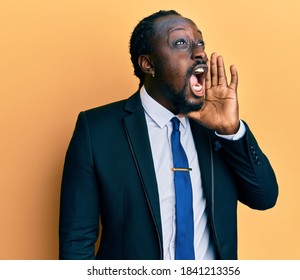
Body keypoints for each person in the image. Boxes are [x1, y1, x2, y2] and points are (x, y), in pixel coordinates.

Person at [59, 10, 278, 260]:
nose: (199, 53)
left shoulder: (218, 128)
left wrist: (231, 131)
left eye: (200, 43)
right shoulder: (97, 129)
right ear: (148, 64)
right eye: (181, 43)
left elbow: (265, 198)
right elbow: (77, 241)